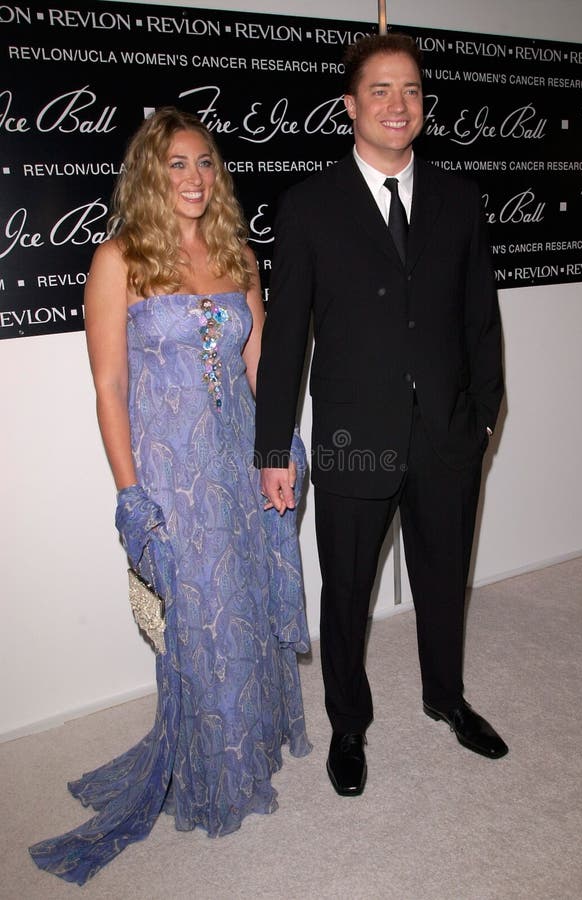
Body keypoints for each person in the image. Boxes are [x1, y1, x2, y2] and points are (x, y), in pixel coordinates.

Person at [29, 107, 311, 884]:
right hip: (173, 471)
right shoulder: (119, 258)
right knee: (201, 619)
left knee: (246, 605)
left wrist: (281, 447)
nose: (193, 178)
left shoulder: (238, 254)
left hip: (239, 460)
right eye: (177, 165)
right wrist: (130, 496)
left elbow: (261, 366)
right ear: (150, 175)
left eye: (206, 164)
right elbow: (110, 387)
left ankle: (247, 745)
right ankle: (213, 771)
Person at [255, 33, 508, 799]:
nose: (398, 105)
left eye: (411, 91)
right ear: (350, 106)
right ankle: (348, 725)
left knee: (442, 578)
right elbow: (285, 336)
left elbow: (478, 321)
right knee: (347, 591)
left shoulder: (459, 199)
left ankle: (445, 697)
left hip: (444, 438)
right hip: (350, 437)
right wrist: (272, 447)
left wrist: (481, 421)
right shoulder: (306, 206)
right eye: (380, 91)